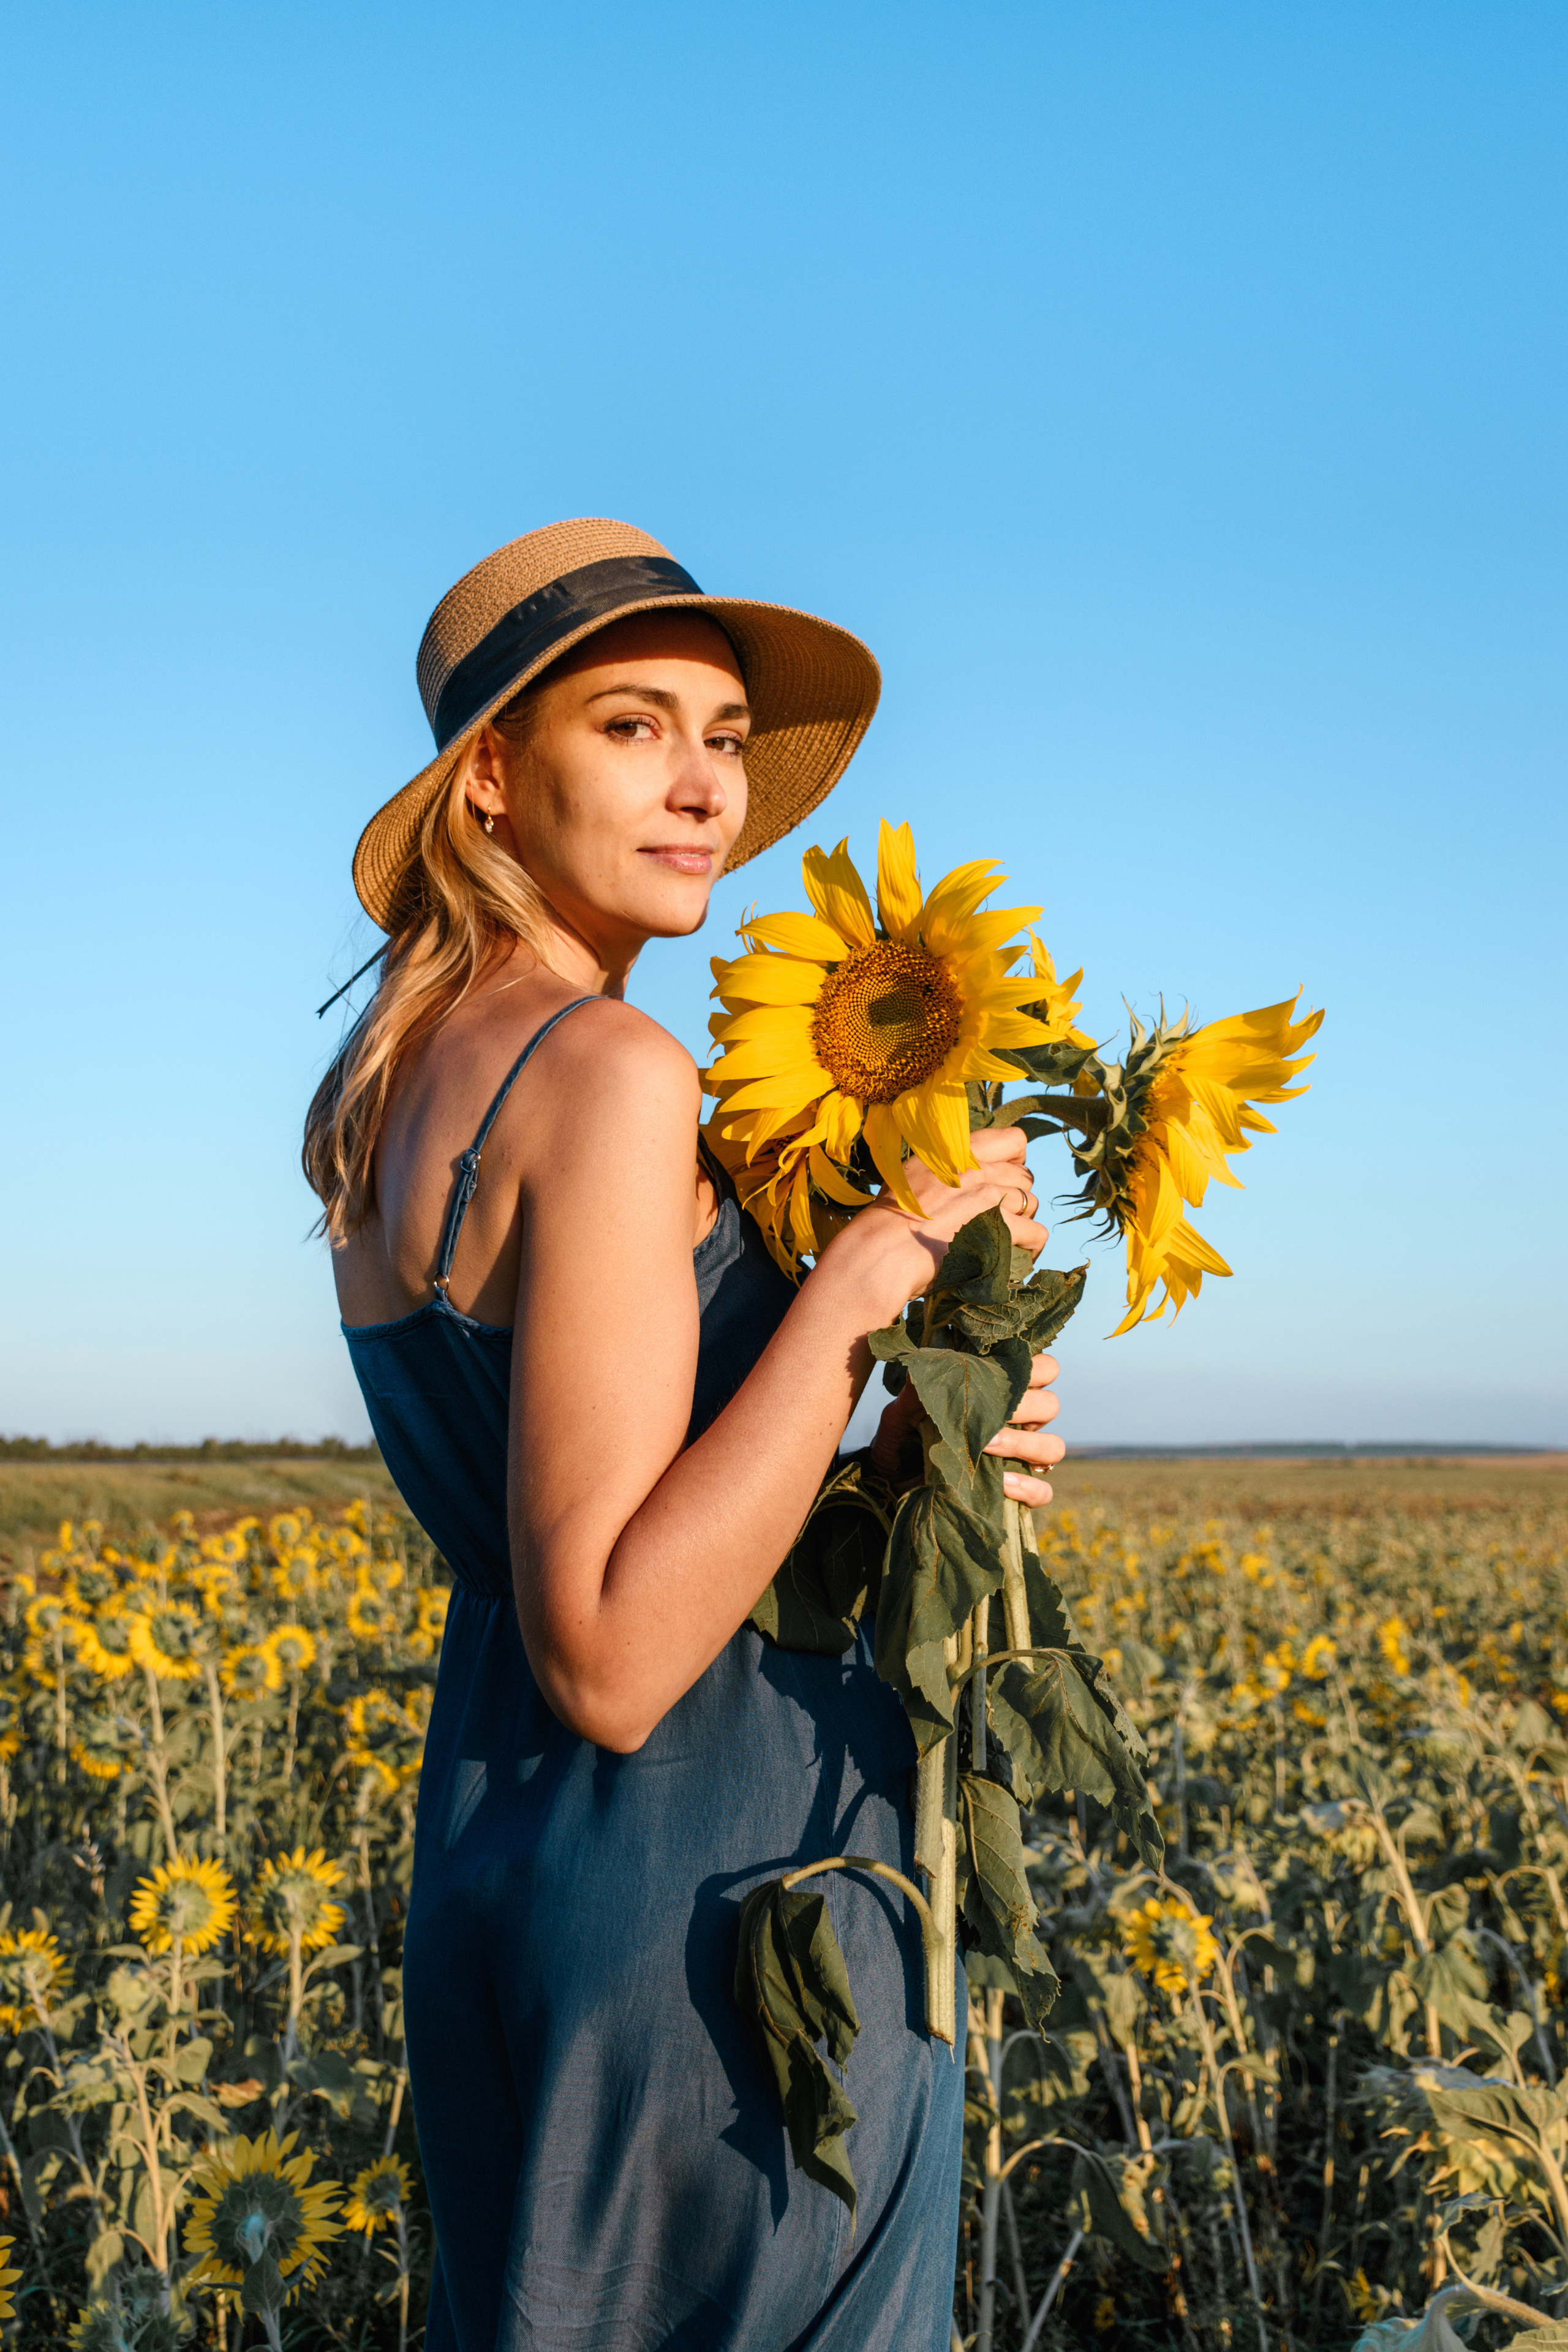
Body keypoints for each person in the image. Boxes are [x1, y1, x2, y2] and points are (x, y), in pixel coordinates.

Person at [303, 518, 1065, 2351]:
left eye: (721, 737)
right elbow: (619, 1651)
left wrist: (894, 1459)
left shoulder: (386, 1090)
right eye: (632, 729)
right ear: (491, 780)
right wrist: (860, 1286)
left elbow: (599, 1518)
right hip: (732, 1897)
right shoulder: (616, 1076)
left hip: (506, 1850)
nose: (705, 786)